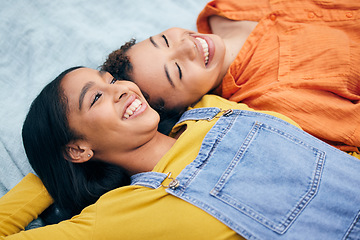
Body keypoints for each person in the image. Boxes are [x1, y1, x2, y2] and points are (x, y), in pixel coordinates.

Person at [0, 67, 360, 239]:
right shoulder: (120, 215)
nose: (121, 90)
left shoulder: (210, 106)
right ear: (78, 148)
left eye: (110, 80)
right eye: (95, 97)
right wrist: (52, 176)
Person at [101, 0, 360, 156]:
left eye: (164, 40)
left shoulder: (223, 8)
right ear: (185, 107)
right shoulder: (274, 102)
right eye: (177, 71)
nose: (185, 47)